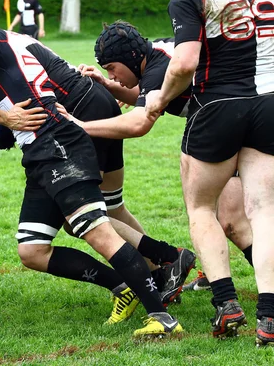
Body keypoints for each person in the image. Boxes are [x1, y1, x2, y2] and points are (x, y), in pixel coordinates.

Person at [0, 1, 184, 337]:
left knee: (96, 228)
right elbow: (4, 129)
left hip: (57, 140)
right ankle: (124, 285)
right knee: (31, 249)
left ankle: (162, 316)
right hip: (38, 151)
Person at [144, 0, 274, 344]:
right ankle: (269, 315)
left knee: (201, 208)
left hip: (218, 107)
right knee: (264, 211)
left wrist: (160, 98)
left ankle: (226, 303)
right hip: (268, 105)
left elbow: (184, 63)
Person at [75, 21, 254, 292]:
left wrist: (81, 127)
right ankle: (214, 273)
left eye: (111, 68)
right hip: (233, 123)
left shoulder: (159, 67)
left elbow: (139, 123)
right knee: (217, 212)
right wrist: (109, 86)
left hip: (239, 125)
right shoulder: (156, 52)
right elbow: (146, 94)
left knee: (231, 219)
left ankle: (243, 285)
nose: (111, 74)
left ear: (129, 58)